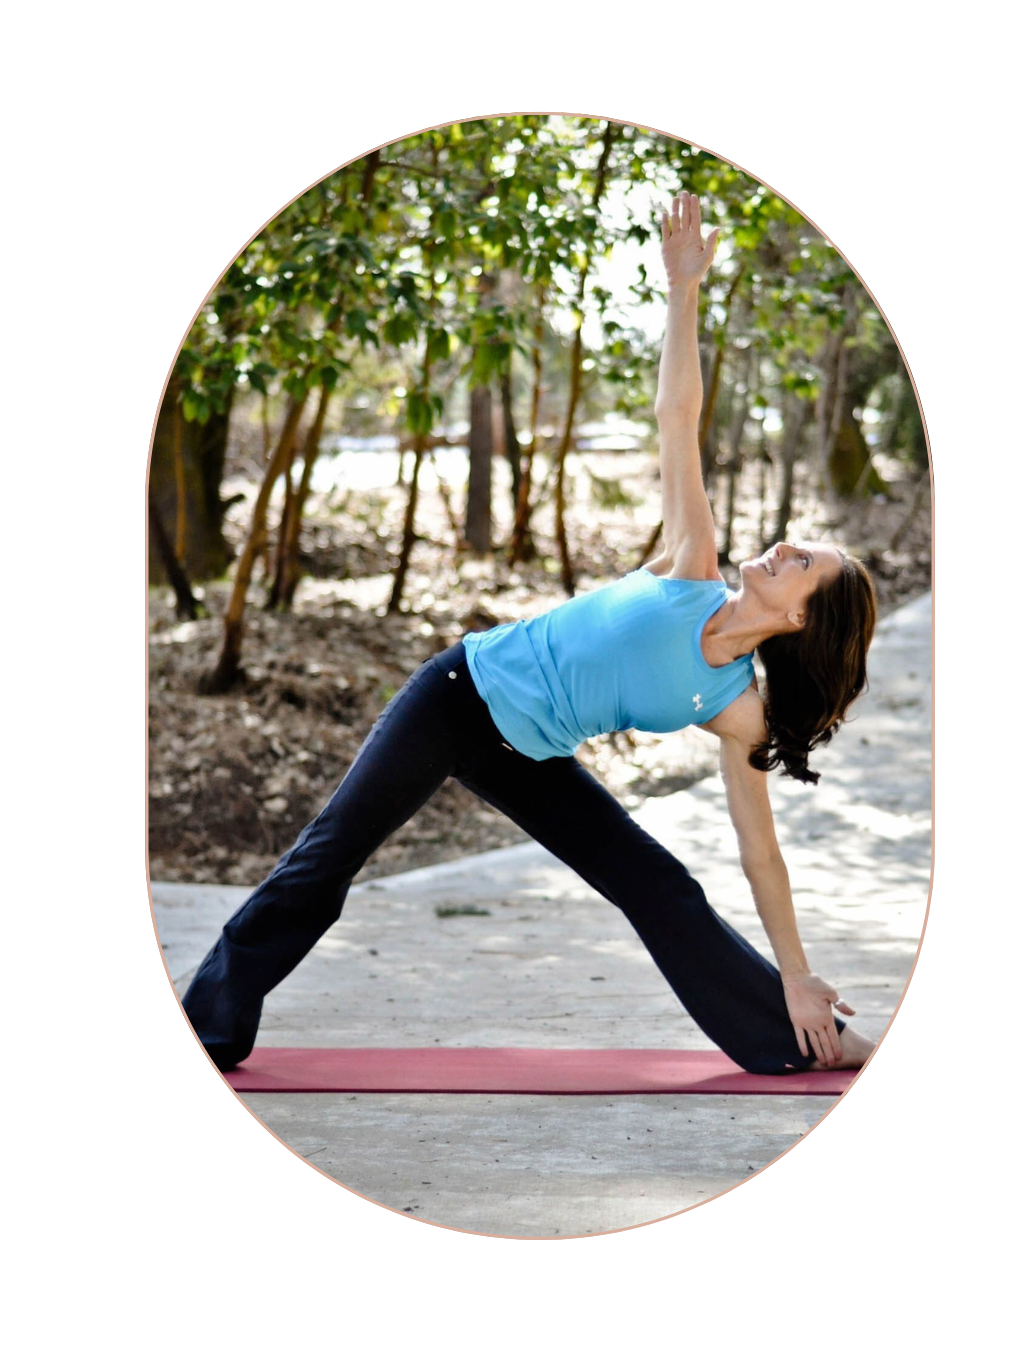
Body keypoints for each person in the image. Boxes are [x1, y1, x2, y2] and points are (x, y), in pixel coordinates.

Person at [181, 192, 879, 1078]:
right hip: (458, 693)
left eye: (800, 561)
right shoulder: (691, 566)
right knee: (329, 858)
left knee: (661, 886)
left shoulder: (736, 708)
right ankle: (206, 1028)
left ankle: (797, 1038)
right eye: (795, 543)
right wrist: (682, 290)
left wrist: (797, 972)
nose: (781, 545)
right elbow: (679, 419)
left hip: (530, 755)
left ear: (798, 620)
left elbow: (761, 854)